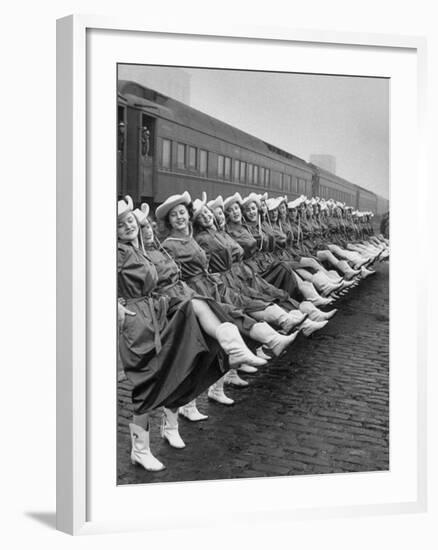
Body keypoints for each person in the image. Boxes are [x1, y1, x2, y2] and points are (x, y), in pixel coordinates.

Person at [117, 196, 266, 470]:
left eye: (133, 222)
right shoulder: (117, 252)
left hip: (155, 313)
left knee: (175, 366)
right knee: (148, 381)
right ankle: (140, 448)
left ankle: (167, 427)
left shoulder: (137, 250)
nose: (132, 227)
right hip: (138, 321)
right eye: (122, 224)